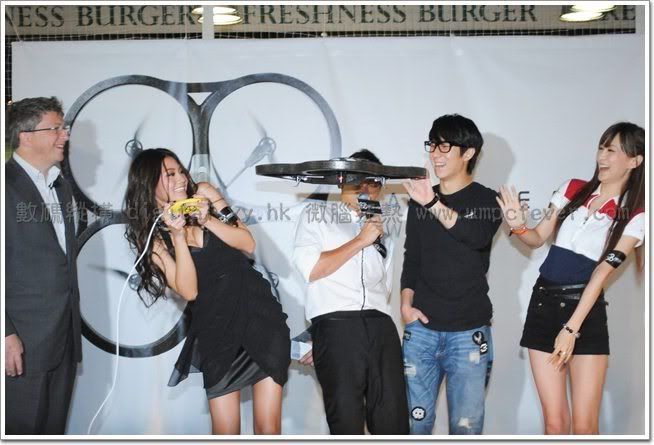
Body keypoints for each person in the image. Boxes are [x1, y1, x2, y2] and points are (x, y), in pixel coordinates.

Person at [123, 148, 290, 435]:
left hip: (260, 318)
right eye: (170, 174)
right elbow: (189, 291)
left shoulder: (205, 193)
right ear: (149, 183)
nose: (180, 179)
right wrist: (178, 237)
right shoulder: (152, 237)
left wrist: (207, 219)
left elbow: (247, 243)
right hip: (217, 331)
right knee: (225, 433)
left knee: (268, 429)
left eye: (180, 171)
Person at [496, 122, 645, 434]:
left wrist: (571, 328)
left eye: (612, 150)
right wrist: (518, 225)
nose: (602, 157)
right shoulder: (572, 189)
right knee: (554, 423)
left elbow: (601, 273)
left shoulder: (637, 215)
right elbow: (537, 238)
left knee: (585, 427)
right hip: (543, 305)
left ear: (635, 160)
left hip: (584, 314)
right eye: (601, 148)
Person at [292, 150, 409, 435]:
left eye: (374, 182)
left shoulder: (383, 227)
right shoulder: (317, 214)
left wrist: (372, 235)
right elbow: (311, 269)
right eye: (358, 180)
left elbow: (385, 287)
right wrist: (360, 240)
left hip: (381, 327)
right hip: (337, 327)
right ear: (341, 181)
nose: (366, 188)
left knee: (393, 421)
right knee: (346, 422)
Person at [401, 114, 501, 435]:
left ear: (468, 153)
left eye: (445, 146)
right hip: (421, 332)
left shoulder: (487, 200)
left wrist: (432, 202)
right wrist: (405, 304)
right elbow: (412, 258)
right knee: (415, 426)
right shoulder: (421, 199)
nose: (435, 154)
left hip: (468, 333)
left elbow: (475, 236)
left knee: (465, 429)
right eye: (432, 145)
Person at [5, 97, 82, 434]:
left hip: (63, 337)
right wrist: (5, 332)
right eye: (56, 129)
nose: (65, 135)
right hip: (21, 341)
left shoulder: (60, 187)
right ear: (26, 136)